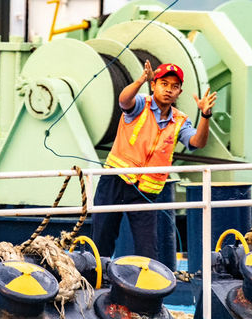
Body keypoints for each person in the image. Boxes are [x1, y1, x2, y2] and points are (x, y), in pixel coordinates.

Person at [92, 60, 217, 259]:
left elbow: (197, 142)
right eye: (164, 84)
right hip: (115, 181)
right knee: (101, 241)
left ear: (179, 92)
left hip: (145, 192)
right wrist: (140, 79)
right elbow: (124, 101)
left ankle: (143, 288)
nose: (168, 90)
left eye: (174, 86)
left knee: (147, 249)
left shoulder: (180, 120)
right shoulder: (141, 103)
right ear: (153, 85)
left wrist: (205, 115)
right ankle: (96, 282)